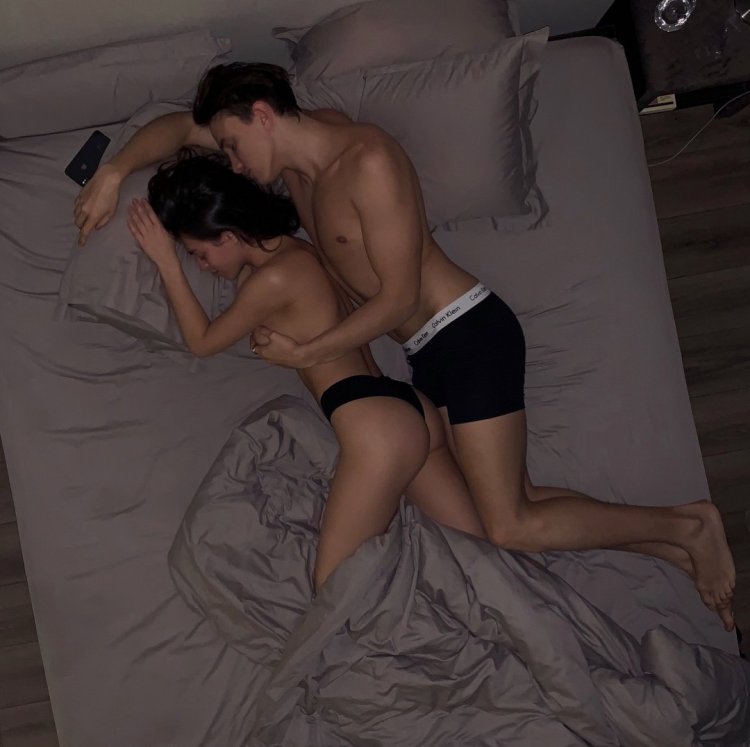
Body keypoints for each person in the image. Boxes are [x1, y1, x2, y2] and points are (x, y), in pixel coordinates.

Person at [77, 63, 735, 629]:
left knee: (509, 523)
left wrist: (308, 353)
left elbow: (396, 298)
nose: (235, 164)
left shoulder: (368, 160)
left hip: (465, 331)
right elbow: (176, 129)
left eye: (233, 145)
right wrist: (115, 171)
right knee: (516, 505)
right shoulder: (293, 169)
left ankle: (689, 526)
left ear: (263, 116)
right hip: (429, 352)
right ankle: (666, 545)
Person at [126, 153, 486, 593]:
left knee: (333, 592)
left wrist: (166, 262)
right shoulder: (300, 252)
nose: (203, 266)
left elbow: (202, 342)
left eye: (200, 254)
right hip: (408, 410)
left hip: (378, 428)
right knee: (484, 565)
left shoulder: (272, 281)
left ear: (228, 235)